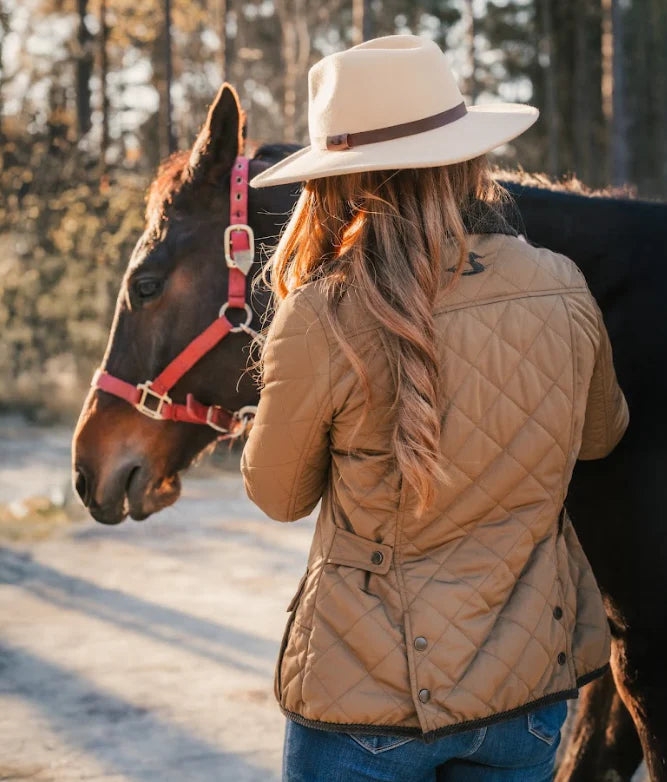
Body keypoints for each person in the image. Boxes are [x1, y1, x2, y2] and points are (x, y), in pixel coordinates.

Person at [241, 35, 629, 782]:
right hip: (523, 696)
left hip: (366, 704)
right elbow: (600, 437)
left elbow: (278, 496)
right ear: (467, 159)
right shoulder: (560, 282)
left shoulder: (321, 315)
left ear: (338, 181)